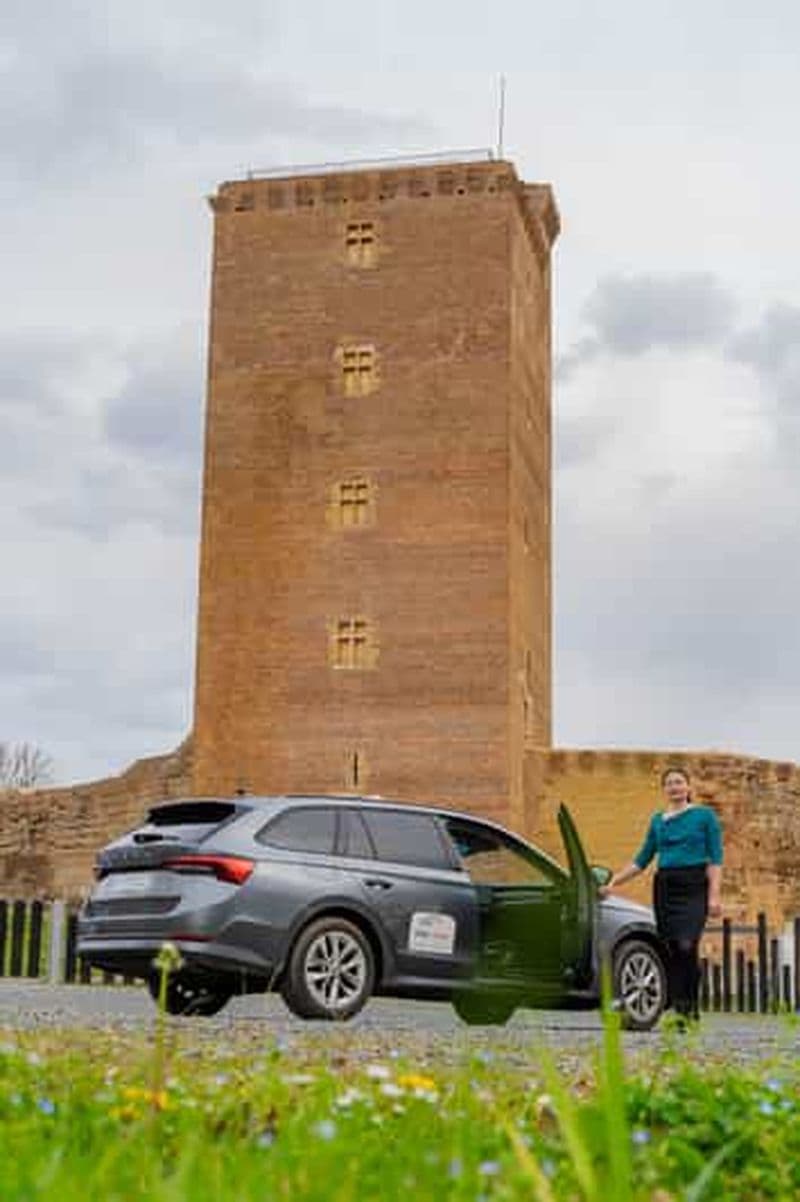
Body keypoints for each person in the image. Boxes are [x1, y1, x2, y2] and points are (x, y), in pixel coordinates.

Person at [599, 766, 723, 1024]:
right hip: (665, 887)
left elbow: (715, 860)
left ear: (688, 787)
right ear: (664, 789)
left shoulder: (704, 816)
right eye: (669, 783)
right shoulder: (657, 820)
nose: (675, 787)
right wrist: (614, 882)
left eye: (679, 782)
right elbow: (642, 860)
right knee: (672, 949)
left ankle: (690, 1007)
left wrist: (713, 897)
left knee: (687, 945)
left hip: (693, 885)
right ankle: (680, 1010)